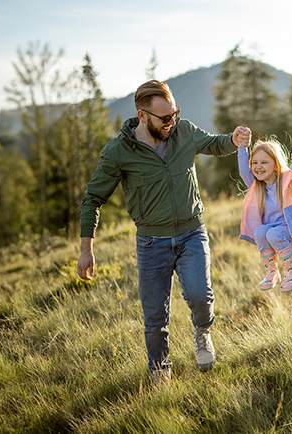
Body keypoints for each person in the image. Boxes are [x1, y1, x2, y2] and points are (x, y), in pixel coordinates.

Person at [77, 80, 252, 386]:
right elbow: (93, 199)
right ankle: (160, 368)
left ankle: (202, 334)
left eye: (174, 113)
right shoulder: (119, 152)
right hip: (151, 242)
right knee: (155, 317)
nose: (172, 122)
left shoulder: (183, 131)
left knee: (200, 296)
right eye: (165, 118)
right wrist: (86, 248)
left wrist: (234, 139)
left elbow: (214, 143)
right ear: (142, 115)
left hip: (191, 232)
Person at [237, 138, 292, 292]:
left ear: (276, 165)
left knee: (273, 233)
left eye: (264, 162)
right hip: (275, 238)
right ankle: (272, 272)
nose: (258, 167)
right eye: (254, 163)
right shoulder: (256, 186)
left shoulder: (289, 180)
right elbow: (243, 171)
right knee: (259, 231)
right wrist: (242, 147)